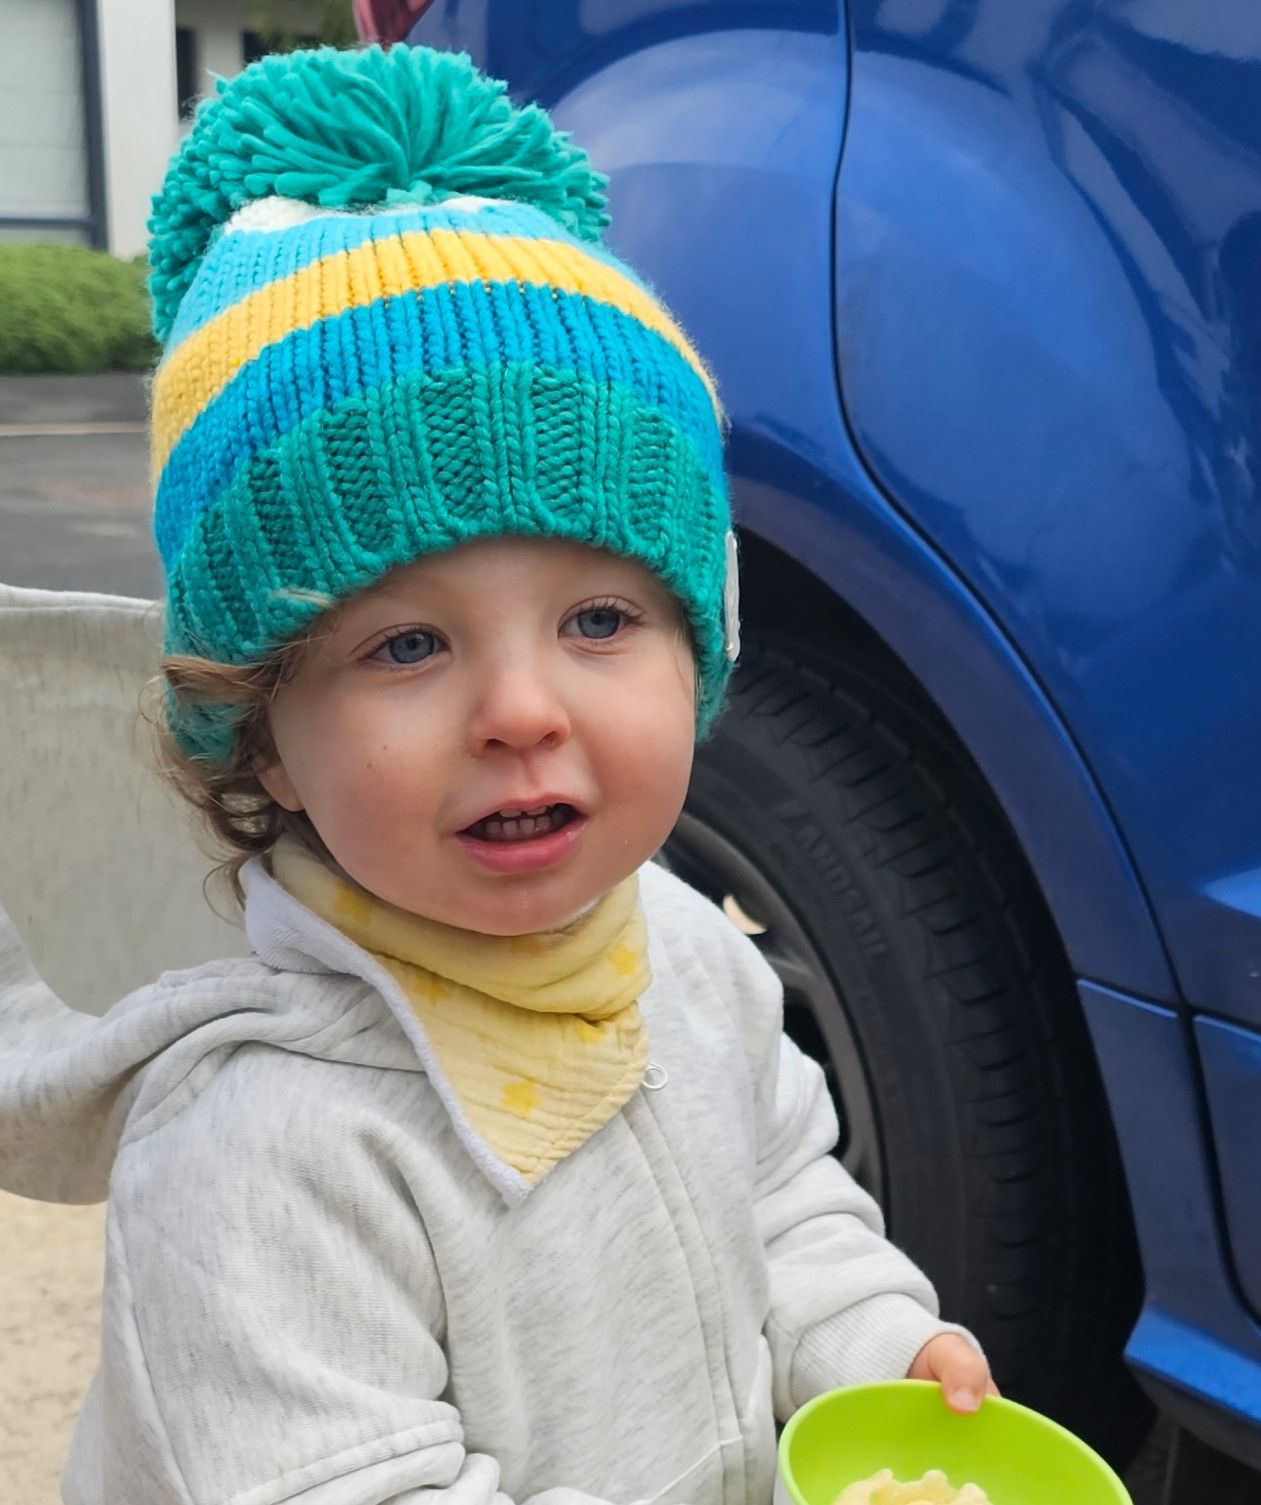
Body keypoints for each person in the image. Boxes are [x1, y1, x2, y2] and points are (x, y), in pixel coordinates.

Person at [0, 43, 993, 1505]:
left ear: (700, 645)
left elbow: (783, 1200)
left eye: (598, 621)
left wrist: (873, 1350)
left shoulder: (680, 957)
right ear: (261, 733)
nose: (521, 710)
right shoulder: (264, 1149)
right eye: (406, 644)